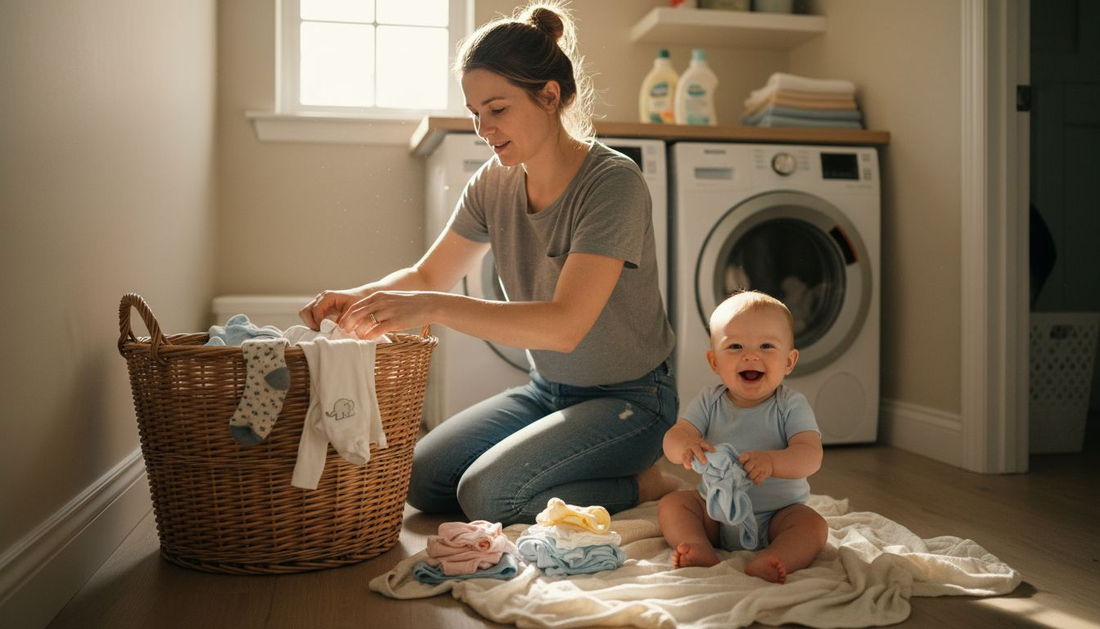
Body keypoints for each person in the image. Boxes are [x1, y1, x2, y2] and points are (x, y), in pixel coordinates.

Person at [298, 1, 681, 526]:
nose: (483, 128)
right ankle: (562, 467)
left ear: (549, 97)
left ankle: (642, 483)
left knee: (488, 496)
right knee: (420, 479)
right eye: (476, 113)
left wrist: (432, 306)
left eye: (497, 110)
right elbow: (429, 275)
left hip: (633, 402)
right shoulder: (494, 183)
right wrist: (361, 298)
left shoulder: (613, 183)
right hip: (548, 390)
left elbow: (566, 325)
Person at [657, 291, 827, 584]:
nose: (751, 355)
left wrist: (773, 462)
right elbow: (676, 435)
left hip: (778, 516)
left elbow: (810, 455)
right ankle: (698, 547)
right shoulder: (709, 401)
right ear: (714, 361)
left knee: (813, 525)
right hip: (715, 511)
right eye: (735, 346)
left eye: (766, 345)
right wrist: (685, 445)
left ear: (789, 361)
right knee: (672, 505)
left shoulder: (790, 405)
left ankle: (776, 557)